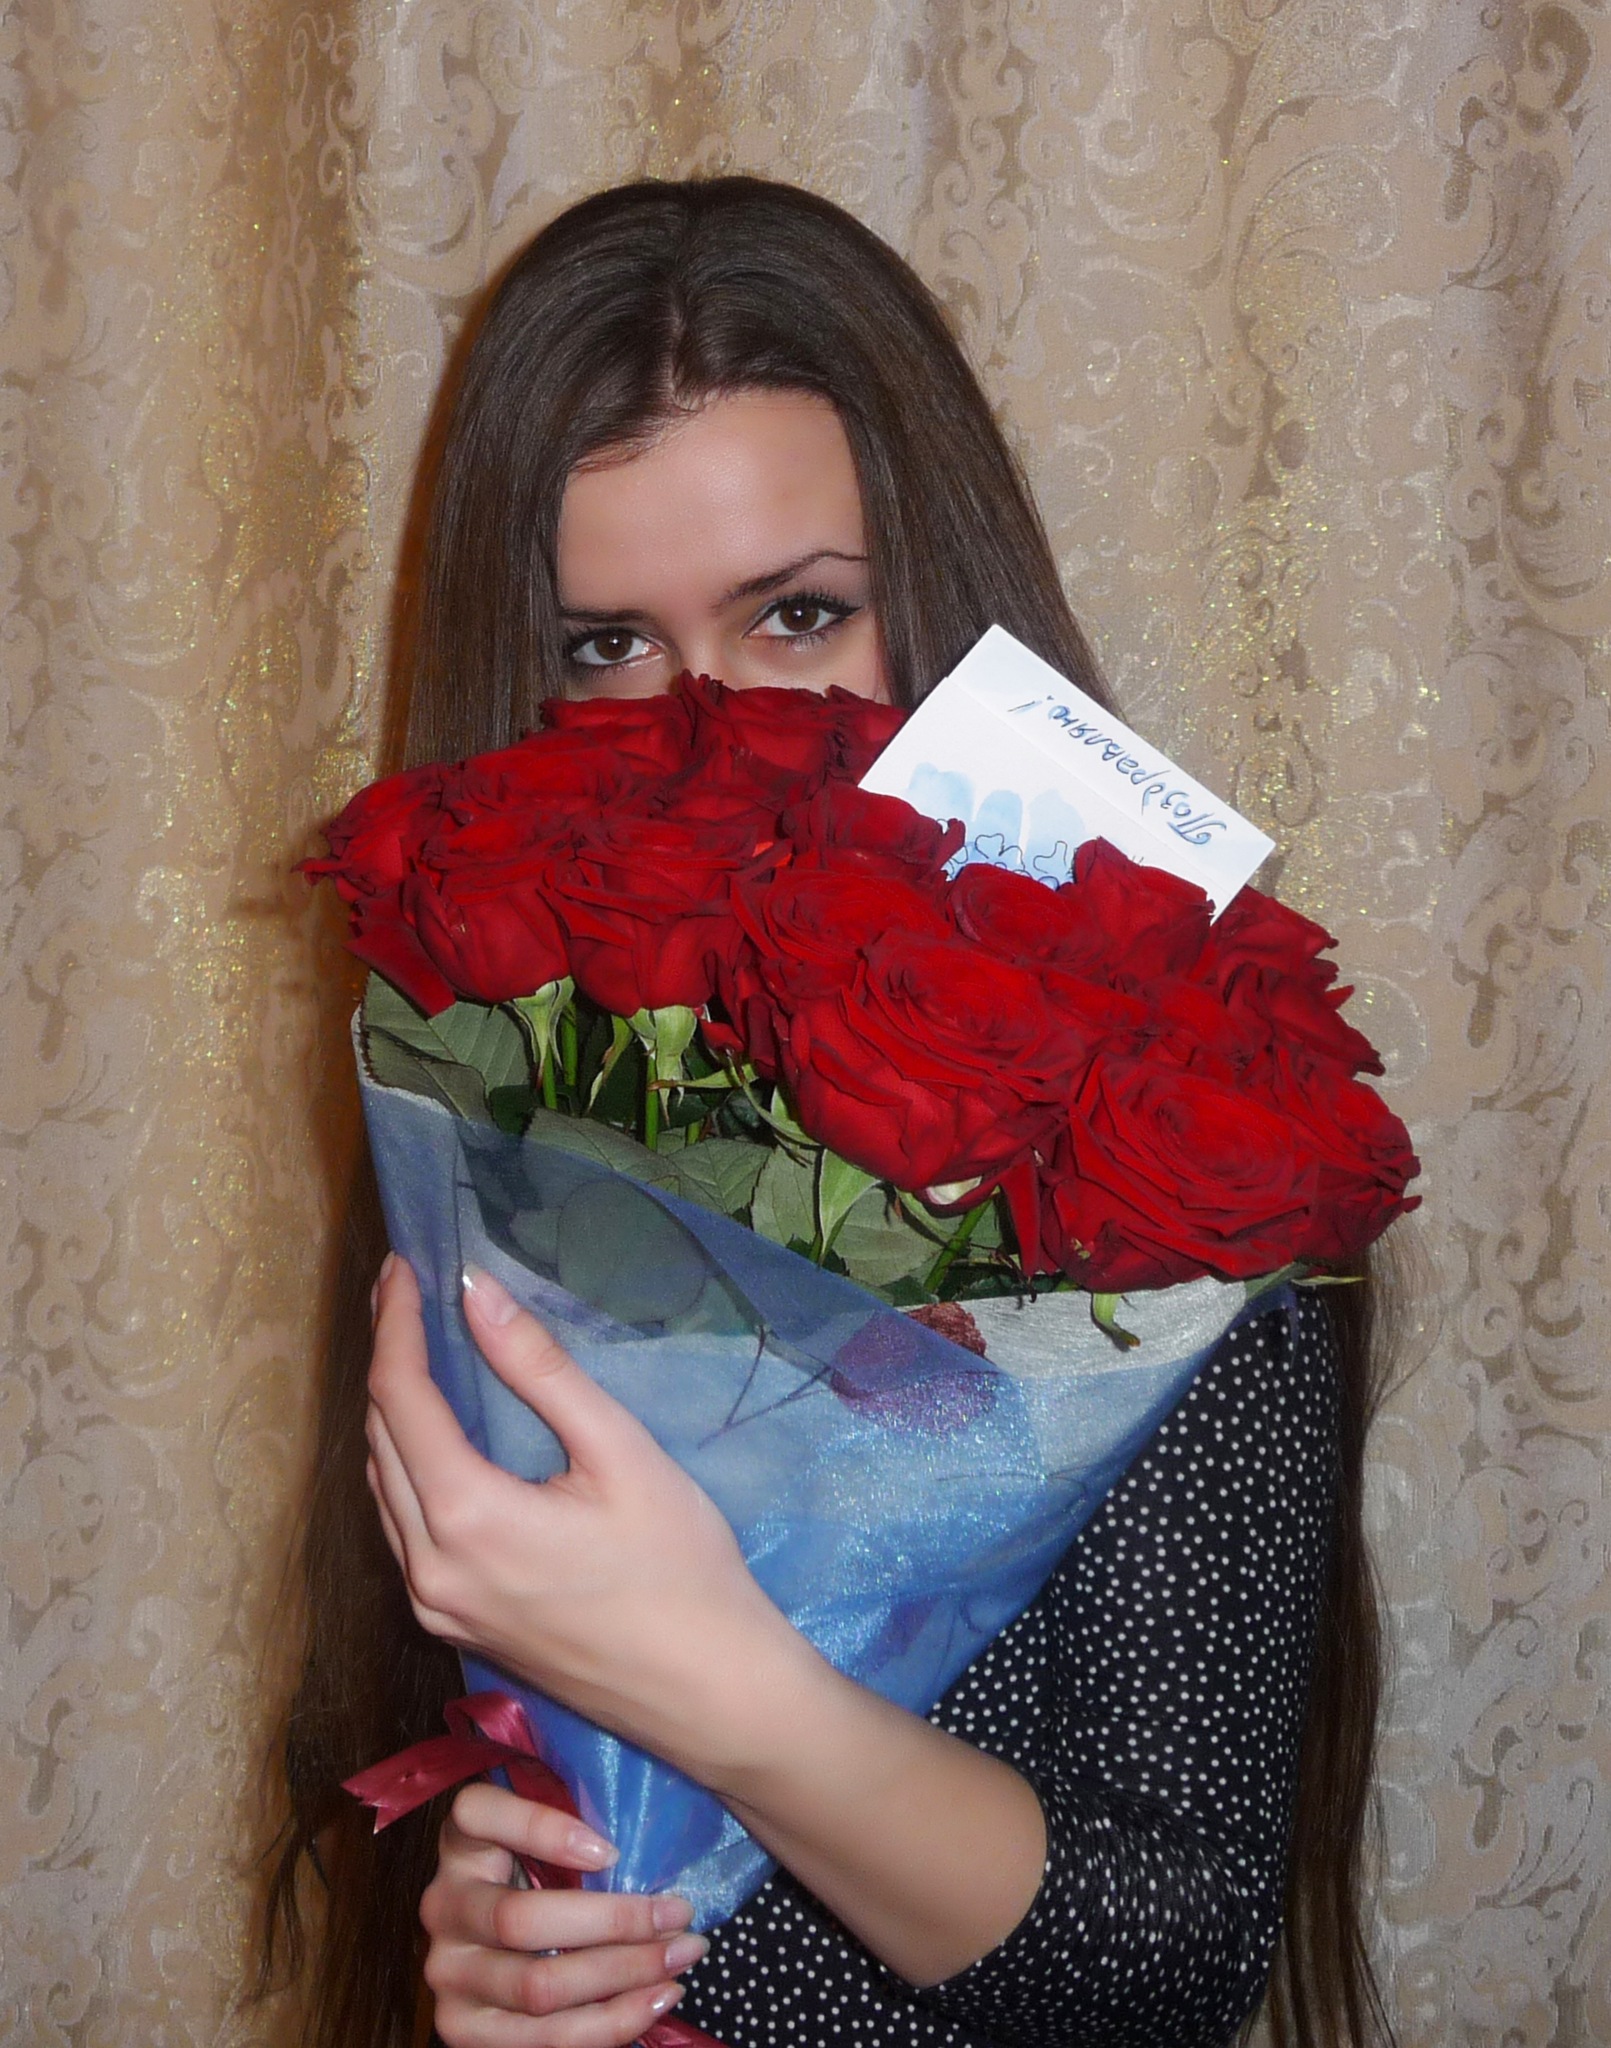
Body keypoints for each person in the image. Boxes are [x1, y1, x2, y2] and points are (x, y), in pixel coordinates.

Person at [263, 177, 1394, 2048]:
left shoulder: (1173, 1116)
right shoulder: (509, 1110)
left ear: (939, 605)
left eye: (797, 615)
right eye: (606, 648)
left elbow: (1164, 1965)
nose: (712, 723)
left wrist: (709, 1687)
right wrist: (506, 1922)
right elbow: (496, 1773)